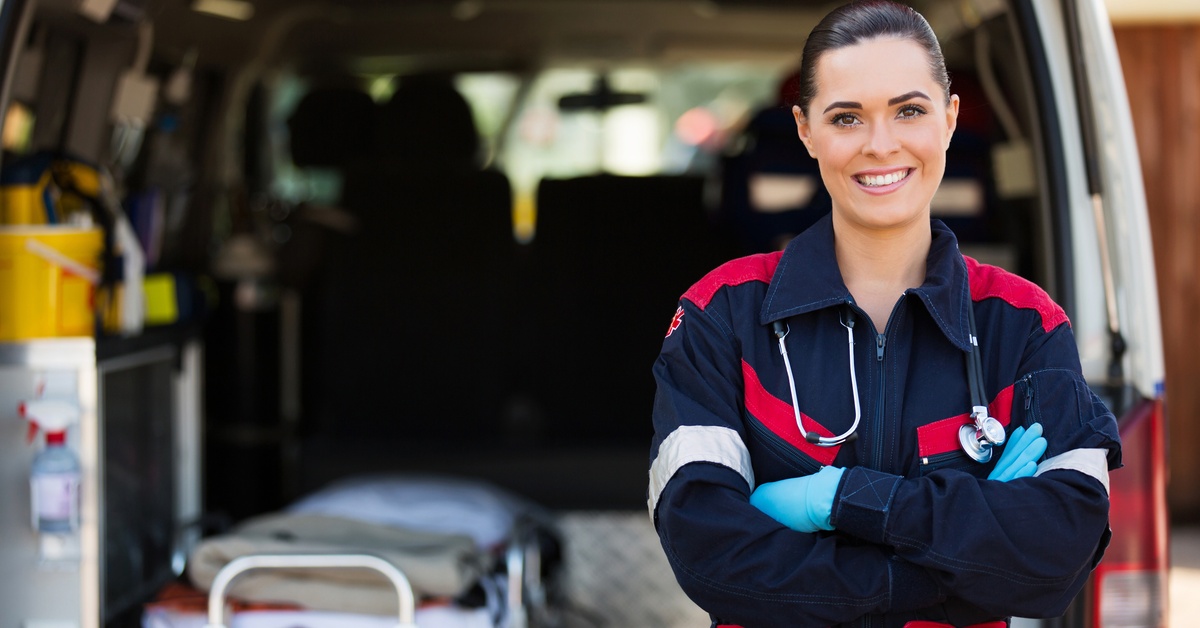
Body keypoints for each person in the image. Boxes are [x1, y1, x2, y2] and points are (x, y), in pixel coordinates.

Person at [646, 2, 1121, 627]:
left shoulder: (1024, 323)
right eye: (847, 118)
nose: (881, 144)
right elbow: (709, 553)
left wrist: (840, 500)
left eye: (910, 110)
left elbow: (1056, 556)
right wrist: (963, 554)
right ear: (805, 130)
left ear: (949, 120)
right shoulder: (720, 315)